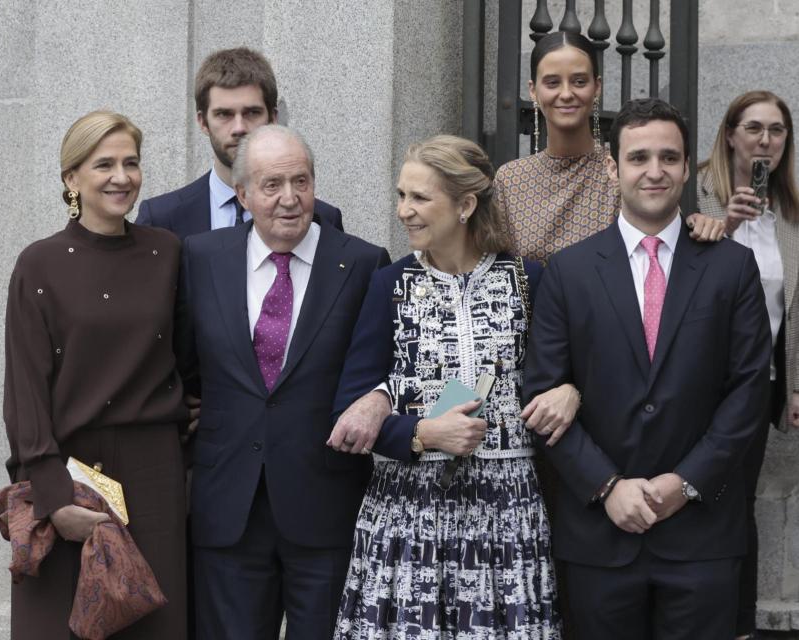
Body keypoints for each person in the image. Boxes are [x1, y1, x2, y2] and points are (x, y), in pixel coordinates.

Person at [522, 98, 772, 639]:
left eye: (668, 157)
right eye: (638, 158)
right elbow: (540, 392)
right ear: (614, 167)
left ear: (687, 167)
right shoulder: (569, 271)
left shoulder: (732, 266)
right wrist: (607, 486)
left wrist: (685, 483)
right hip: (599, 533)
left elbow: (749, 389)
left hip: (702, 534)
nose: (654, 171)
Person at [331, 135, 564, 639]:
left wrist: (573, 392)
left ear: (465, 205)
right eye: (401, 196)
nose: (404, 211)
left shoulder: (527, 280)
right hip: (409, 514)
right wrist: (422, 434)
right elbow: (349, 406)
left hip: (506, 512)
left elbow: (560, 380)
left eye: (419, 198)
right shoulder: (389, 284)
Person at [175, 124, 389, 639]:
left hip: (326, 507)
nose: (290, 199)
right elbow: (182, 364)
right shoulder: (201, 259)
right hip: (229, 509)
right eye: (272, 185)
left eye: (302, 181)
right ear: (244, 195)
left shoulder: (362, 264)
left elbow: (385, 364)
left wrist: (380, 398)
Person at [3, 111, 188, 639]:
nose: (121, 176)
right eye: (103, 164)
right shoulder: (38, 264)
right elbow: (25, 390)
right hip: (68, 475)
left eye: (131, 163)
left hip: (155, 477)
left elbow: (187, 359)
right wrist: (53, 496)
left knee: (156, 626)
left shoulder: (166, 252)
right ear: (71, 179)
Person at [697, 89, 799, 639]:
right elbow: (678, 282)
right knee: (694, 497)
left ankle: (738, 625)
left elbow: (795, 311)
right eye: (754, 128)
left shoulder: (791, 217)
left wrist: (796, 384)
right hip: (693, 382)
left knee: (738, 502)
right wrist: (726, 225)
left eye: (777, 130)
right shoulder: (696, 197)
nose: (765, 139)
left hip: (756, 385)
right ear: (731, 134)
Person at [495, 31, 723, 265]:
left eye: (579, 81)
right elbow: (494, 267)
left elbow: (663, 237)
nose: (566, 94)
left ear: (597, 87)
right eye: (552, 82)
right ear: (533, 91)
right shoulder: (510, 179)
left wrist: (697, 225)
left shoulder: (622, 170)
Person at [136, 47, 342, 239]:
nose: (239, 128)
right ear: (202, 122)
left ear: (273, 117)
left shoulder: (322, 219)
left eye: (252, 112)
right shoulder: (161, 219)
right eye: (224, 114)